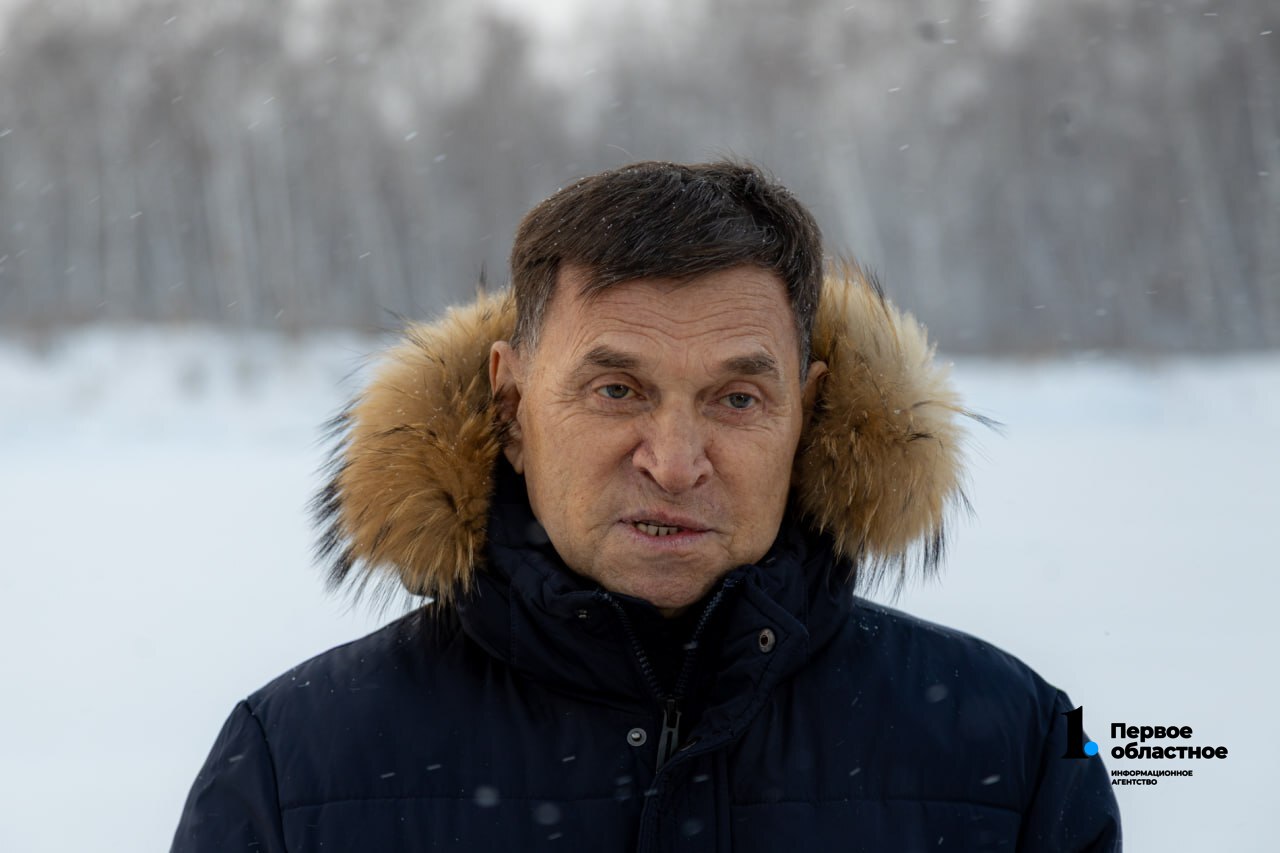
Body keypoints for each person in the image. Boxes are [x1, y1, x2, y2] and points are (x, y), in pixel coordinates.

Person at [171, 160, 1121, 851]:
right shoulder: (295, 765)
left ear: (809, 415)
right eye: (617, 390)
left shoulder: (1019, 746)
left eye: (736, 399)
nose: (674, 464)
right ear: (510, 407)